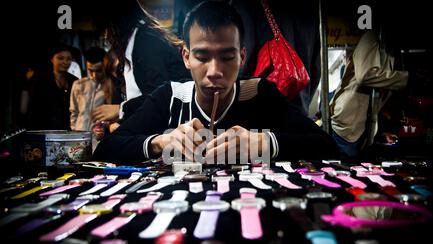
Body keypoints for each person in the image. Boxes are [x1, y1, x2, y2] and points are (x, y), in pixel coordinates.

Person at [93, 0, 337, 164]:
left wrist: (262, 142)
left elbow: (325, 145)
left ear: (242, 57)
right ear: (186, 57)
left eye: (227, 57)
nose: (214, 71)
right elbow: (106, 150)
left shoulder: (259, 94)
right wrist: (161, 141)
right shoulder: (170, 97)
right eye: (202, 56)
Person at [27, 44, 78, 130]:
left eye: (68, 59)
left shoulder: (75, 81)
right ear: (52, 59)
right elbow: (33, 109)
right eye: (60, 58)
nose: (65, 62)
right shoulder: (40, 79)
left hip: (68, 130)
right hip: (43, 130)